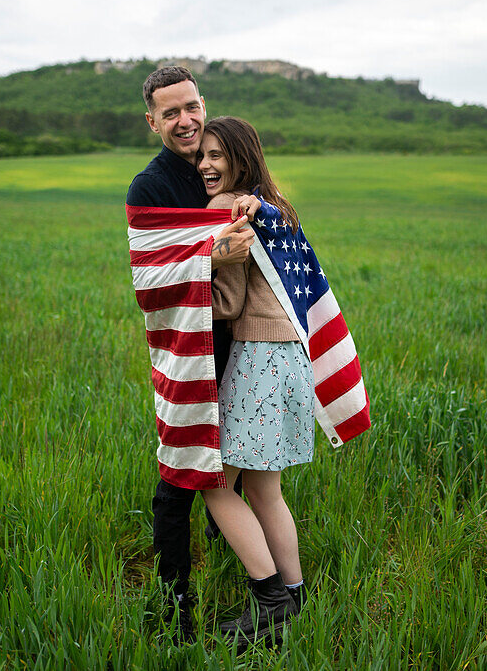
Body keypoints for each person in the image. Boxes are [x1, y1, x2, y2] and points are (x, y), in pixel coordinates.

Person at [125, 67, 258, 642]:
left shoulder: (222, 162)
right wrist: (212, 253)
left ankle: (240, 565)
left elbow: (261, 221)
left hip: (240, 341)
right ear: (151, 121)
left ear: (204, 105)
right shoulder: (149, 189)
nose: (185, 122)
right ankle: (173, 598)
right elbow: (150, 275)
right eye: (171, 113)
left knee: (231, 463)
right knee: (181, 471)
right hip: (185, 341)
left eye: (191, 107)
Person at [197, 116, 312, 647]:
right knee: (266, 489)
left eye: (216, 154)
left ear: (241, 158)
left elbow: (230, 301)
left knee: (215, 482)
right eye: (202, 155)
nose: (205, 164)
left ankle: (269, 602)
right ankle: (295, 594)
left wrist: (195, 279)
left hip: (260, 354)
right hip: (294, 356)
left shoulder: (230, 209)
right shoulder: (280, 204)